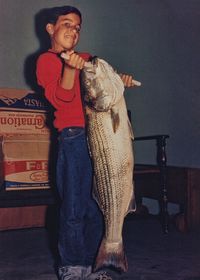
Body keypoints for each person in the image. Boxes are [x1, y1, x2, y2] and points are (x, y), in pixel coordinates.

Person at [36, 5, 135, 280]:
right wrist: (70, 67)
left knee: (96, 206)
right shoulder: (46, 60)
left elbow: (103, 84)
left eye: (78, 27)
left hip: (101, 137)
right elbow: (63, 98)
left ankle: (96, 266)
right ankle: (72, 265)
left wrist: (119, 80)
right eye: (67, 23)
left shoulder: (87, 59)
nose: (74, 30)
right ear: (50, 29)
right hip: (73, 139)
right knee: (74, 206)